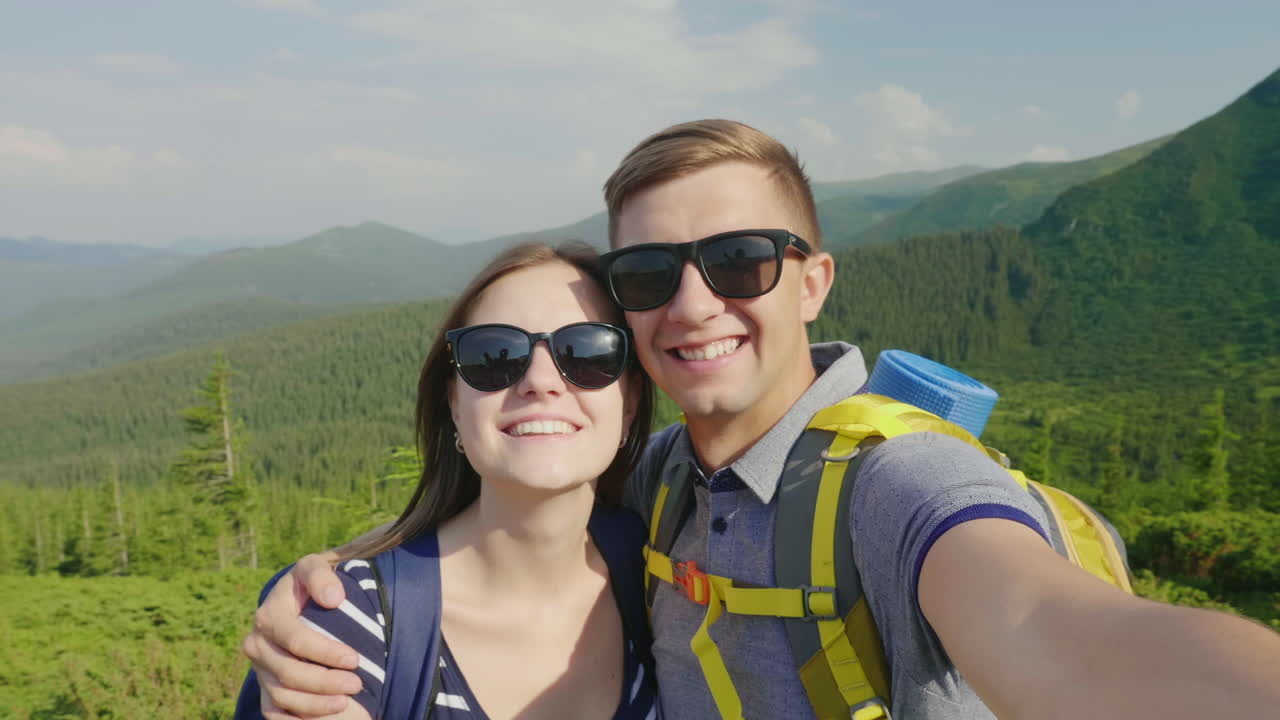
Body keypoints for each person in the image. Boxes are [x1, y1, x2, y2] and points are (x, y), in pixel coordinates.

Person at [243, 120, 1280, 719]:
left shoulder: (895, 486)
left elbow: (1057, 638)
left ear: (812, 281)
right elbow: (511, 507)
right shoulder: (654, 485)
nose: (693, 304)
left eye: (740, 259)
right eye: (647, 275)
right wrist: (337, 585)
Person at [235, 242, 660, 719]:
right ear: (455, 405)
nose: (541, 381)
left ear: (630, 402)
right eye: (493, 355)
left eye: (586, 351)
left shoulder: (669, 574)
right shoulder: (354, 627)